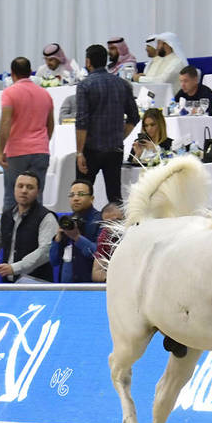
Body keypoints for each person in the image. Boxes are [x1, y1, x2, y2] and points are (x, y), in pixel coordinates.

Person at [0, 171, 58, 283]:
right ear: (14, 189)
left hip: (37, 285)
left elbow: (45, 251)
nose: (24, 191)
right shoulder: (6, 216)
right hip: (9, 284)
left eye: (30, 187)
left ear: (38, 192)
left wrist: (16, 267)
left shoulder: (47, 217)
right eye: (20, 186)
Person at [76, 44, 140, 205]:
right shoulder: (122, 84)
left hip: (91, 148)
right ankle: (117, 221)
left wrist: (79, 152)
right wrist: (120, 136)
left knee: (82, 193)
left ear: (88, 61)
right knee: (115, 196)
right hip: (115, 148)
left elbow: (82, 121)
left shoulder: (85, 85)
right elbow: (134, 117)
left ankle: (82, 221)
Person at [0, 56, 53, 212]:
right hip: (40, 150)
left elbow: (5, 122)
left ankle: (9, 227)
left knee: (12, 196)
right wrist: (43, 142)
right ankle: (37, 227)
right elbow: (50, 124)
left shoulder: (9, 93)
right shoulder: (45, 94)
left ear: (12, 74)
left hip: (17, 151)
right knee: (37, 196)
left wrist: (1, 150)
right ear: (30, 72)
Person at [50, 180, 103, 283]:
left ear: (92, 198)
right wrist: (57, 240)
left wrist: (77, 238)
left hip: (89, 286)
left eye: (81, 194)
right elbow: (54, 261)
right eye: (72, 195)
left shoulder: (100, 220)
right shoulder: (66, 221)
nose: (75, 198)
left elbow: (99, 255)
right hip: (65, 287)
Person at [91, 202, 123, 282]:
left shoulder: (138, 232)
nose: (113, 226)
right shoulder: (104, 236)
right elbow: (96, 272)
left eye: (117, 221)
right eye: (107, 223)